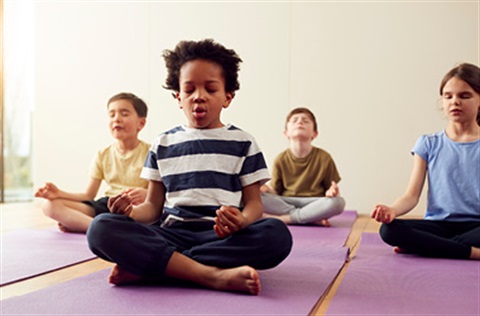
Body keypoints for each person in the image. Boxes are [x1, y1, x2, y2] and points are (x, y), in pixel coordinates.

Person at [86, 39, 293, 295]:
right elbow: (152, 208)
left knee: (276, 235)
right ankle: (210, 275)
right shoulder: (163, 144)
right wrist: (129, 214)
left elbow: (254, 205)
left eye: (210, 89)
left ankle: (162, 267)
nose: (199, 96)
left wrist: (242, 220)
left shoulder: (243, 142)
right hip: (172, 233)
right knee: (101, 228)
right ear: (178, 97)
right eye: (189, 89)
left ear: (227, 96)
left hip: (221, 238)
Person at [371, 62, 480, 260]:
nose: (455, 101)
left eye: (464, 96)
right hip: (438, 225)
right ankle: (471, 253)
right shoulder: (428, 143)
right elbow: (411, 196)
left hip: (477, 227)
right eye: (448, 96)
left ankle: (430, 247)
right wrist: (392, 210)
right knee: (389, 231)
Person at [35, 92, 150, 233]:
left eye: (124, 114)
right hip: (107, 205)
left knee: (147, 218)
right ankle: (101, 229)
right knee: (49, 206)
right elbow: (88, 195)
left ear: (141, 123)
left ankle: (92, 227)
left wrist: (146, 193)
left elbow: (158, 197)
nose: (117, 119)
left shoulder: (151, 153)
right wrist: (59, 193)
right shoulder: (103, 154)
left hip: (136, 208)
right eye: (112, 114)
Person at [260, 107, 345, 226]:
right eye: (295, 120)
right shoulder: (280, 159)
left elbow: (331, 190)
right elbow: (275, 191)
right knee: (256, 197)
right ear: (286, 133)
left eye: (305, 121)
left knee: (338, 202)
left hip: (314, 202)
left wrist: (332, 192)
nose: (300, 122)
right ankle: (309, 217)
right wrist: (264, 189)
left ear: (314, 133)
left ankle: (287, 219)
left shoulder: (324, 157)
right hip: (287, 201)